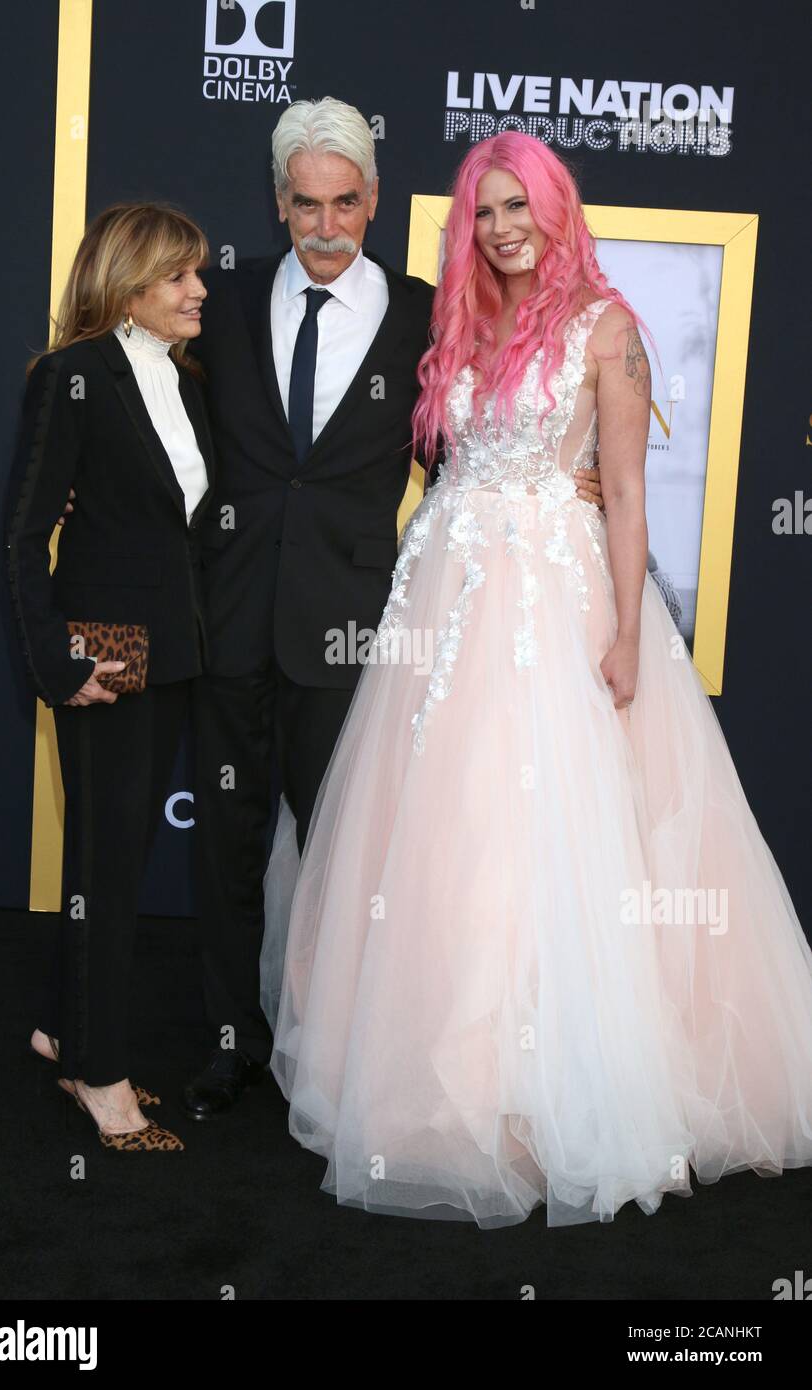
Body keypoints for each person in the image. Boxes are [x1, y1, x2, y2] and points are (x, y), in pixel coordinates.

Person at [268, 132, 812, 1228]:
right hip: (442, 597)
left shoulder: (607, 332)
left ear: (556, 209)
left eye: (520, 206)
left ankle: (551, 1094)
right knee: (441, 834)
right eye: (484, 211)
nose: (503, 227)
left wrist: (620, 633)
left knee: (546, 834)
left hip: (552, 599)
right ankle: (445, 1085)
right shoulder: (459, 323)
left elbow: (621, 489)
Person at [181, 97, 606, 1120]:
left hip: (360, 631)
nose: (324, 225)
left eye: (343, 203)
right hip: (229, 615)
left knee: (348, 851)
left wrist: (558, 479)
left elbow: (467, 444)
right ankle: (229, 1041)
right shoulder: (223, 302)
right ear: (277, 204)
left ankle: (327, 1049)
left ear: (372, 199)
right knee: (227, 840)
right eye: (303, 206)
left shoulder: (428, 314)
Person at [6, 202, 215, 1150]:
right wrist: (58, 662)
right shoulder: (70, 375)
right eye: (178, 276)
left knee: (116, 859)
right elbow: (19, 537)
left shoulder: (184, 380)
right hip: (103, 653)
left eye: (197, 274)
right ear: (128, 285)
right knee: (103, 864)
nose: (198, 290)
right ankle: (101, 1077)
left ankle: (63, 1029)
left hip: (169, 652)